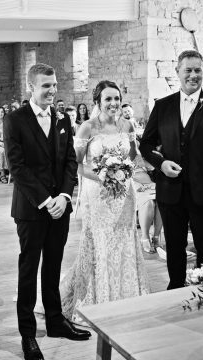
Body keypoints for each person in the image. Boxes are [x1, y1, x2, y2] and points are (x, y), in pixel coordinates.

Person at [4, 63, 89, 360]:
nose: (52, 91)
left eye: (54, 85)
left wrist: (65, 197)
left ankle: (55, 321)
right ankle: (28, 334)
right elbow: (17, 168)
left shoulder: (63, 119)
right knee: (28, 270)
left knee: (53, 265)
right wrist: (46, 200)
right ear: (31, 87)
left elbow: (69, 162)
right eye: (45, 86)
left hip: (60, 208)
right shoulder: (15, 120)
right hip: (31, 209)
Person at [139, 50, 203, 290]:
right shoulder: (163, 106)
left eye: (198, 70)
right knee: (174, 243)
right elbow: (146, 144)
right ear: (178, 73)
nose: (193, 75)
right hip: (171, 189)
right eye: (188, 70)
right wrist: (161, 164)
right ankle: (176, 287)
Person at [59, 81, 149, 322]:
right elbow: (76, 164)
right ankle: (98, 298)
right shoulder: (87, 128)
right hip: (98, 194)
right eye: (108, 99)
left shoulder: (127, 124)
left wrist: (123, 171)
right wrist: (102, 175)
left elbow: (132, 154)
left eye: (117, 98)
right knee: (99, 243)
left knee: (124, 240)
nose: (113, 103)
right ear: (97, 102)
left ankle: (127, 294)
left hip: (124, 194)